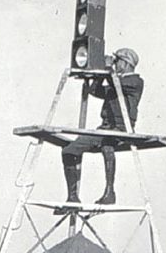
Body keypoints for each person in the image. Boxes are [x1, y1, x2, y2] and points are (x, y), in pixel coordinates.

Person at [61, 47, 144, 206]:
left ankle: (108, 192)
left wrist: (107, 67)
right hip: (106, 129)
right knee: (71, 150)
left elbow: (115, 83)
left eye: (117, 61)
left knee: (106, 144)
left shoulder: (135, 81)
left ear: (126, 63)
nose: (115, 64)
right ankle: (74, 197)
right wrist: (99, 74)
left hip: (121, 127)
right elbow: (95, 91)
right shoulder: (117, 83)